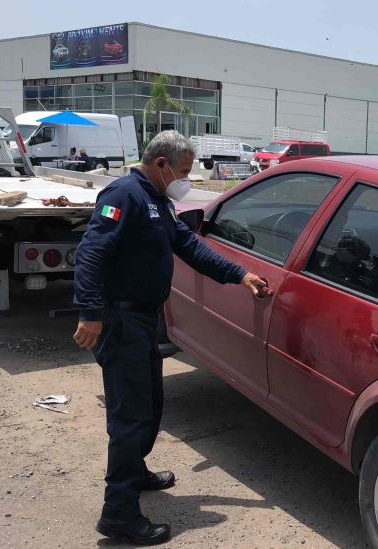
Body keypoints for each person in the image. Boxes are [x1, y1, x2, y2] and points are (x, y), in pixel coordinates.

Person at [72, 130, 270, 545]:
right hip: (119, 320)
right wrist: (90, 312)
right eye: (182, 171)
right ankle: (119, 514)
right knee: (130, 416)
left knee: (149, 405)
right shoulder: (123, 195)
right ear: (160, 164)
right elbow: (92, 253)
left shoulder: (159, 200)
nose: (186, 179)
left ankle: (135, 472)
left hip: (143, 321)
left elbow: (189, 246)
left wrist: (239, 274)